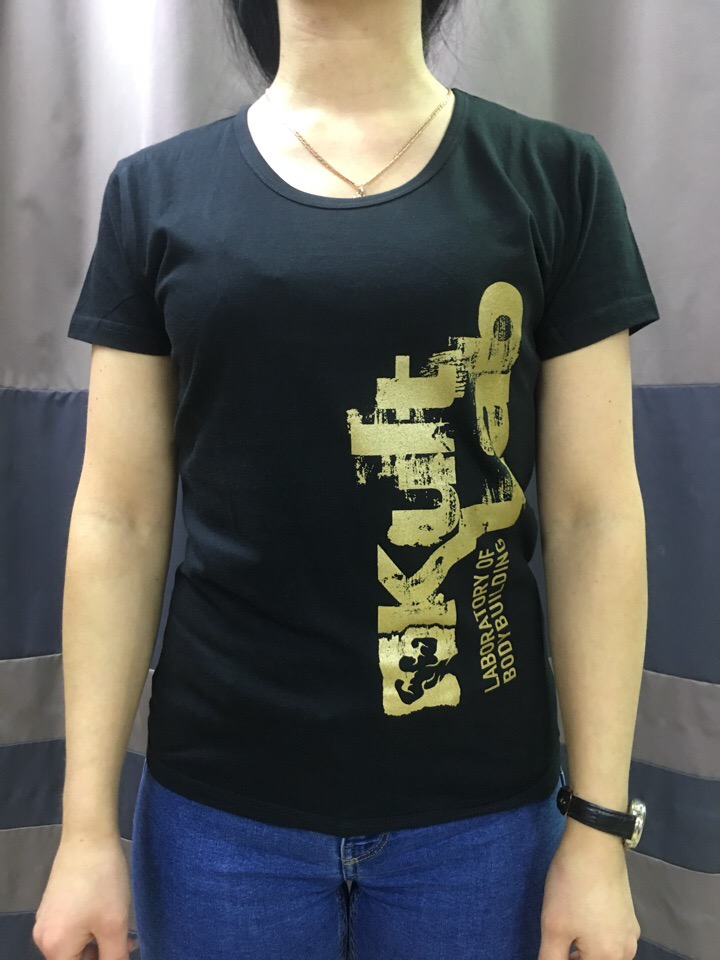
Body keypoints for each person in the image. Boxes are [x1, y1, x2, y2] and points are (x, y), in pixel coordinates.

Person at [34, 1, 659, 958]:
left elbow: (594, 517)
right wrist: (84, 830)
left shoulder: (556, 177)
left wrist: (600, 829)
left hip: (481, 819)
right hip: (220, 814)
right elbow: (118, 519)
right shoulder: (155, 193)